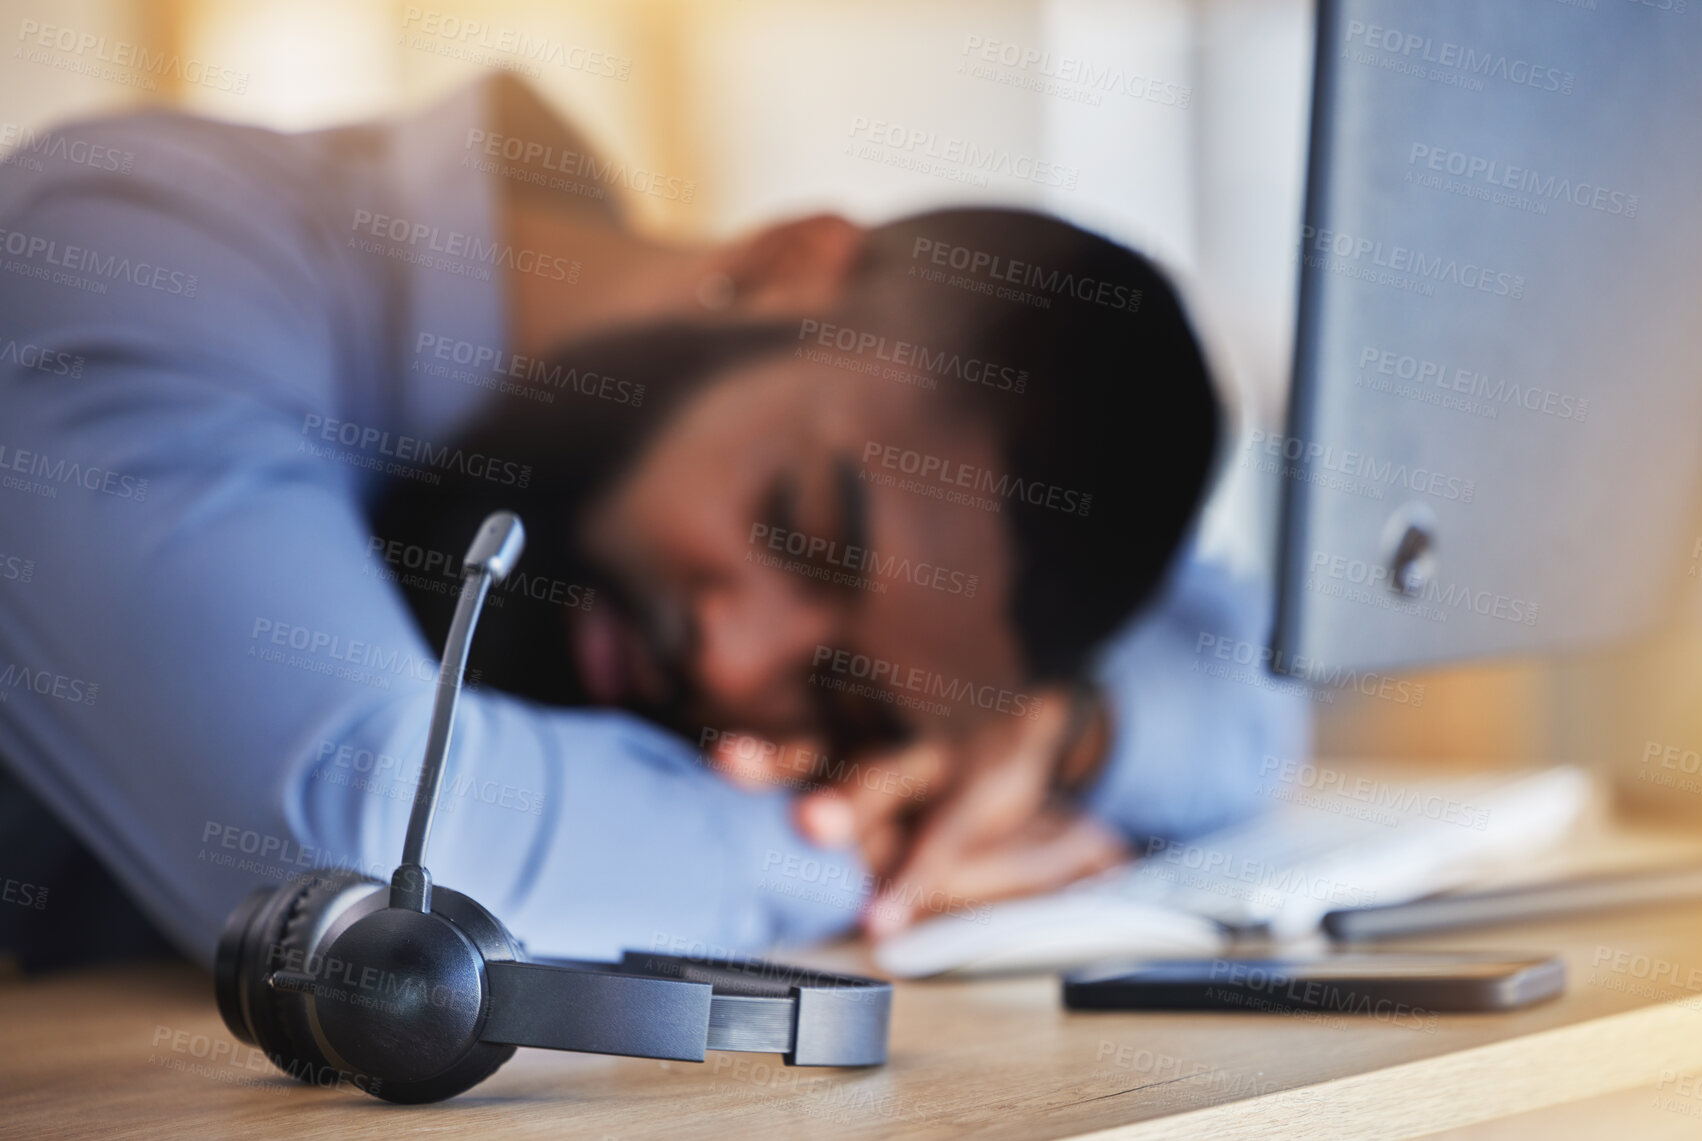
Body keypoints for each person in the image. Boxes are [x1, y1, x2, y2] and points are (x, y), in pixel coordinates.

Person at [0, 74, 1304, 966]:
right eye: (800, 528)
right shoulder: (140, 249)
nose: (738, 662)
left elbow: (1247, 658)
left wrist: (1064, 736)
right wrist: (869, 856)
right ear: (786, 266)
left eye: (840, 696)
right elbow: (355, 840)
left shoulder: (833, 493)